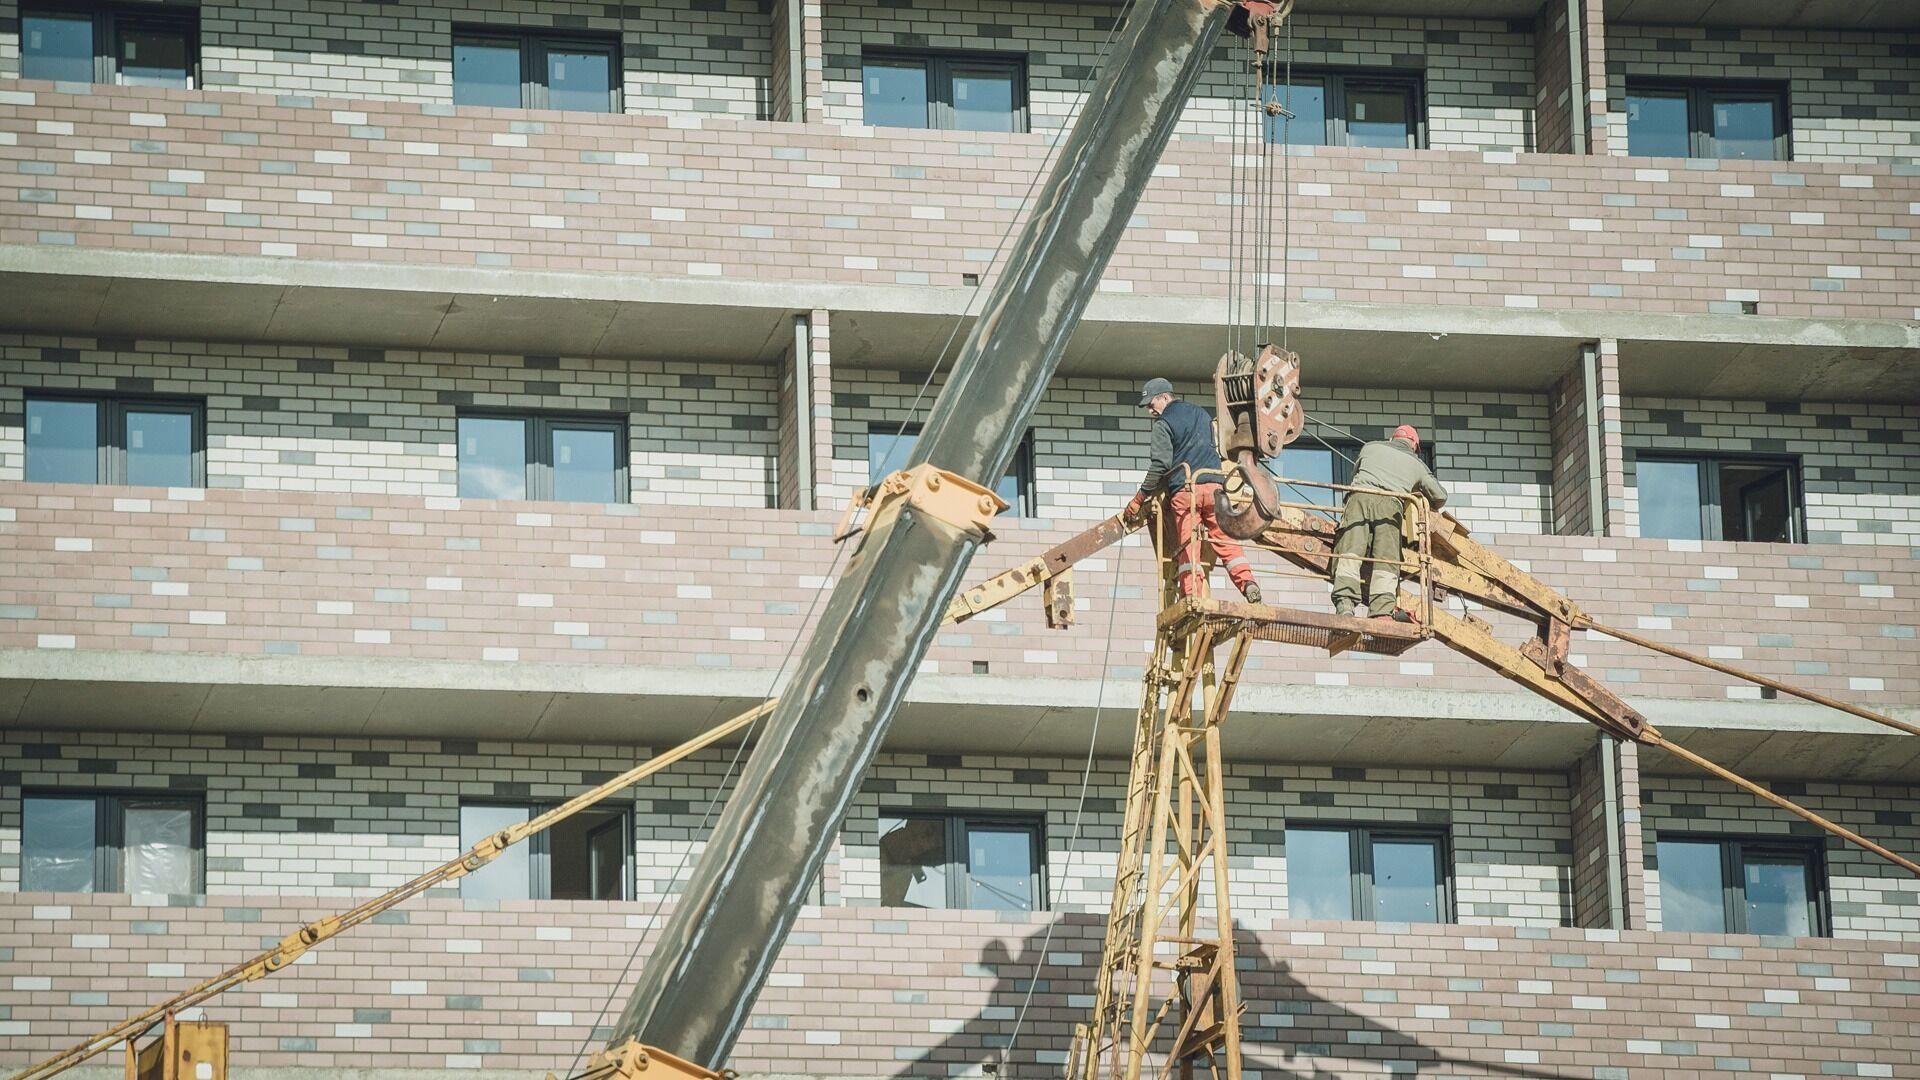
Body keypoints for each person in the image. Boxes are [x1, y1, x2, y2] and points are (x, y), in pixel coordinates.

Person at [1124, 378, 1263, 604]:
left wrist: (1139, 498)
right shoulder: (1201, 414)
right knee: (1225, 540)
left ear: (1165, 397)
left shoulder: (1163, 424)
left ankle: (1193, 597)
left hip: (1187, 491)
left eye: (1151, 404)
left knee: (1188, 547)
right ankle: (1248, 583)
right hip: (1216, 488)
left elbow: (1160, 465)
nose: (1150, 410)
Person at [1331, 424, 1447, 621]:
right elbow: (1440, 497)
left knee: (1350, 552)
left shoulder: (1370, 447)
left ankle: (1345, 606)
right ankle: (1380, 611)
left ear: (1393, 439)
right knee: (1386, 560)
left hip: (1358, 499)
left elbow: (1356, 473)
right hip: (1390, 507)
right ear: (1413, 445)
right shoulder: (1416, 464)